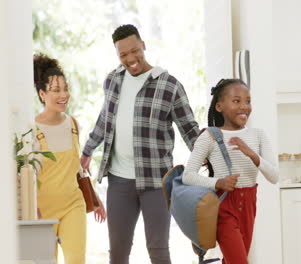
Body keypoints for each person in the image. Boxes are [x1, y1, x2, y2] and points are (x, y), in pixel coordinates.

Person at [80, 24, 200, 264]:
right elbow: (106, 119)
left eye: (134, 51)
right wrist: (87, 150)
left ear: (143, 45)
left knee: (158, 250)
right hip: (119, 180)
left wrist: (209, 156)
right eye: (123, 54)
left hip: (156, 181)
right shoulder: (113, 80)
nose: (130, 59)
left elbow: (189, 129)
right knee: (118, 252)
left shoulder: (169, 85)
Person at [182, 78, 279, 264]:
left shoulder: (258, 135)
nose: (244, 106)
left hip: (249, 204)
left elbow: (274, 176)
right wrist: (218, 183)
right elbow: (188, 176)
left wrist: (252, 155)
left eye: (248, 101)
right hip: (224, 206)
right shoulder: (209, 136)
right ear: (219, 106)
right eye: (236, 101)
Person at [32, 53, 106, 264]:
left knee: (76, 260)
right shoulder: (32, 130)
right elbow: (28, 176)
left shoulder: (72, 124)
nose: (63, 95)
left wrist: (94, 197)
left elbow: (77, 169)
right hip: (43, 210)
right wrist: (31, 210)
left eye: (65, 89)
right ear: (42, 93)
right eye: (56, 90)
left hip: (73, 204)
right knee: (47, 261)